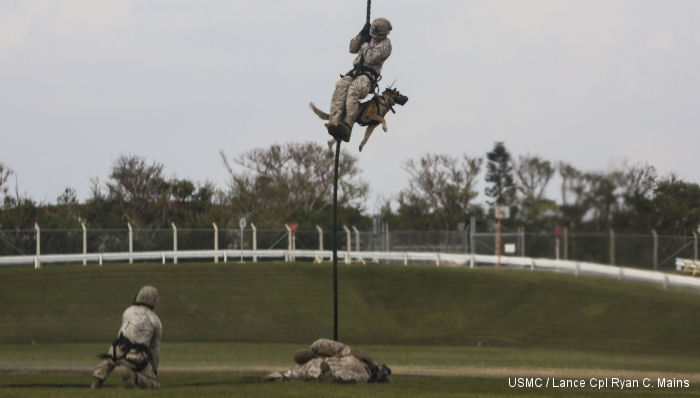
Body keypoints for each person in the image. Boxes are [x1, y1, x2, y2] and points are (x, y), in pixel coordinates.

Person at [327, 17, 393, 142]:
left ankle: (347, 126)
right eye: (373, 35)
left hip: (368, 76)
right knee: (341, 86)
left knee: (354, 89)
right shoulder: (369, 36)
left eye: (377, 36)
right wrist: (361, 34)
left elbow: (369, 58)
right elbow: (352, 48)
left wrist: (365, 44)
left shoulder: (386, 45)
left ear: (384, 34)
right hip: (355, 71)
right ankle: (334, 123)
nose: (375, 37)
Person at [90, 286, 162, 389]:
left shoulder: (128, 311)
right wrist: (154, 369)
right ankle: (135, 377)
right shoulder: (156, 321)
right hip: (136, 356)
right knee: (155, 386)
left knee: (109, 361)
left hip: (117, 350)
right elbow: (154, 349)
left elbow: (122, 333)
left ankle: (96, 384)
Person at [265, 338, 391, 384]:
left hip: (325, 364)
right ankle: (338, 378)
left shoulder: (311, 362)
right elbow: (360, 356)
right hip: (346, 362)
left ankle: (278, 376)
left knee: (302, 373)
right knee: (360, 376)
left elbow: (291, 371)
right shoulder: (351, 356)